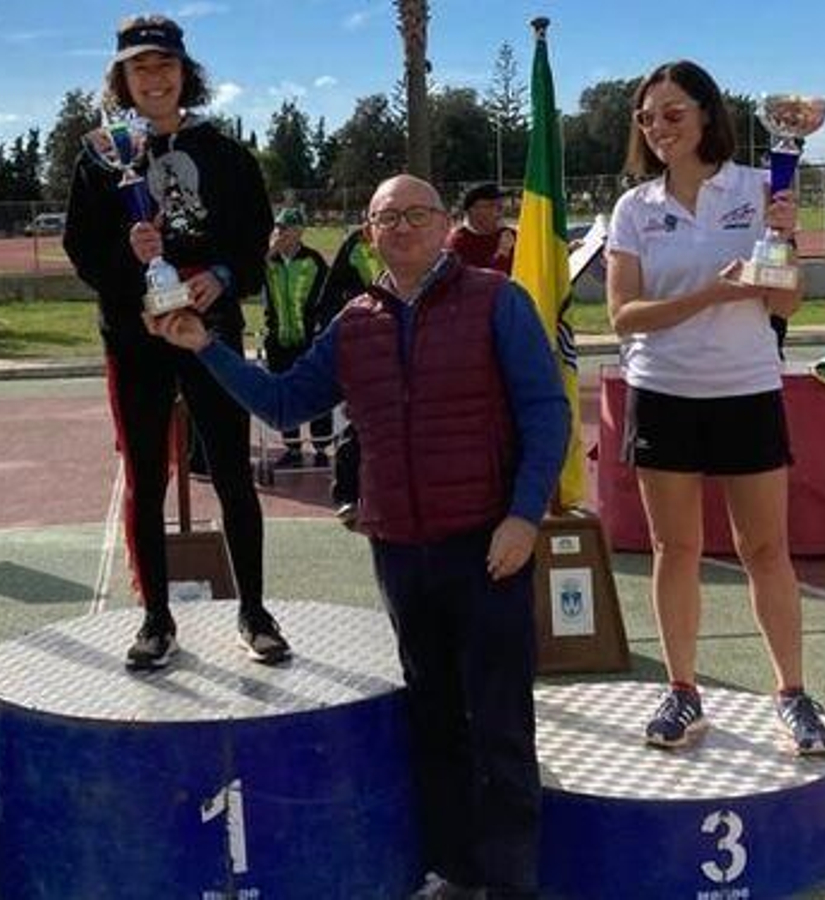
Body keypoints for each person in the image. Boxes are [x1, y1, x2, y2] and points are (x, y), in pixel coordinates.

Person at [149, 173, 567, 900]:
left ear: (444, 226)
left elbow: (546, 414)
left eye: (415, 214)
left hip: (489, 546)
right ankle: (454, 870)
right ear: (367, 237)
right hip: (402, 551)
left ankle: (510, 882)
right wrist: (202, 346)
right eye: (384, 218)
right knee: (433, 720)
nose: (400, 227)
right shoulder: (354, 323)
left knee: (500, 724)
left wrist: (525, 515)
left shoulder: (499, 301)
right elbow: (283, 405)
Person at [605, 60, 825, 756]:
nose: (660, 127)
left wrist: (786, 243)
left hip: (746, 390)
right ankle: (682, 692)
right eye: (648, 117)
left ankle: (791, 694)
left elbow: (786, 302)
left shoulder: (761, 188)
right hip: (664, 392)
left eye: (674, 113)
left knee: (765, 549)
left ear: (707, 114)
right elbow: (624, 316)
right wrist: (711, 293)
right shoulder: (635, 208)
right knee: (677, 550)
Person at [64, 13, 288, 671]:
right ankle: (155, 619)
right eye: (140, 67)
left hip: (209, 333)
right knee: (144, 476)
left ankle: (254, 610)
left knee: (230, 473)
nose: (154, 78)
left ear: (185, 73)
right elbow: (81, 251)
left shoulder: (225, 153)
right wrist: (126, 255)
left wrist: (221, 277)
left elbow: (253, 242)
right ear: (122, 78)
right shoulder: (99, 156)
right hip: (135, 340)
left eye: (164, 65)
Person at [322, 225, 385, 527]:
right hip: (367, 344)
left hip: (415, 346)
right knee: (358, 426)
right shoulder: (354, 244)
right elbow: (332, 291)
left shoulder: (428, 250)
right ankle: (347, 494)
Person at [261, 206, 331, 469]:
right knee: (285, 395)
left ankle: (321, 447)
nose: (281, 233)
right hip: (278, 340)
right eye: (278, 227)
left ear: (299, 231)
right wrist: (270, 249)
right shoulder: (269, 261)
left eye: (286, 228)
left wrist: (320, 330)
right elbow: (247, 277)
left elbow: (327, 297)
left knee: (316, 393)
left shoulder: (313, 261)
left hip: (309, 340)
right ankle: (292, 450)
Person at [445, 182, 516, 274]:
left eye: (500, 205)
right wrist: (503, 252)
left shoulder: (511, 235)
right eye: (491, 205)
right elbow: (479, 284)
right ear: (472, 210)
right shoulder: (459, 243)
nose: (499, 211)